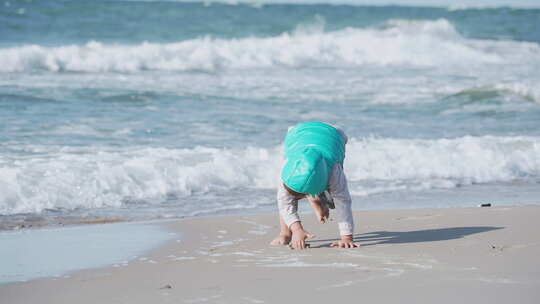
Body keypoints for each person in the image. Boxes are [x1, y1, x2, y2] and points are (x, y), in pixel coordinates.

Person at [270, 121, 358, 249]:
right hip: (297, 134)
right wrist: (297, 229)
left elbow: (343, 201)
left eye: (305, 195)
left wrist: (346, 237)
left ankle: (315, 198)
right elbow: (284, 202)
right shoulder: (288, 168)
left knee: (333, 197)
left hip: (333, 134)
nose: (301, 197)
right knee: (287, 197)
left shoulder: (334, 170)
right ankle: (285, 232)